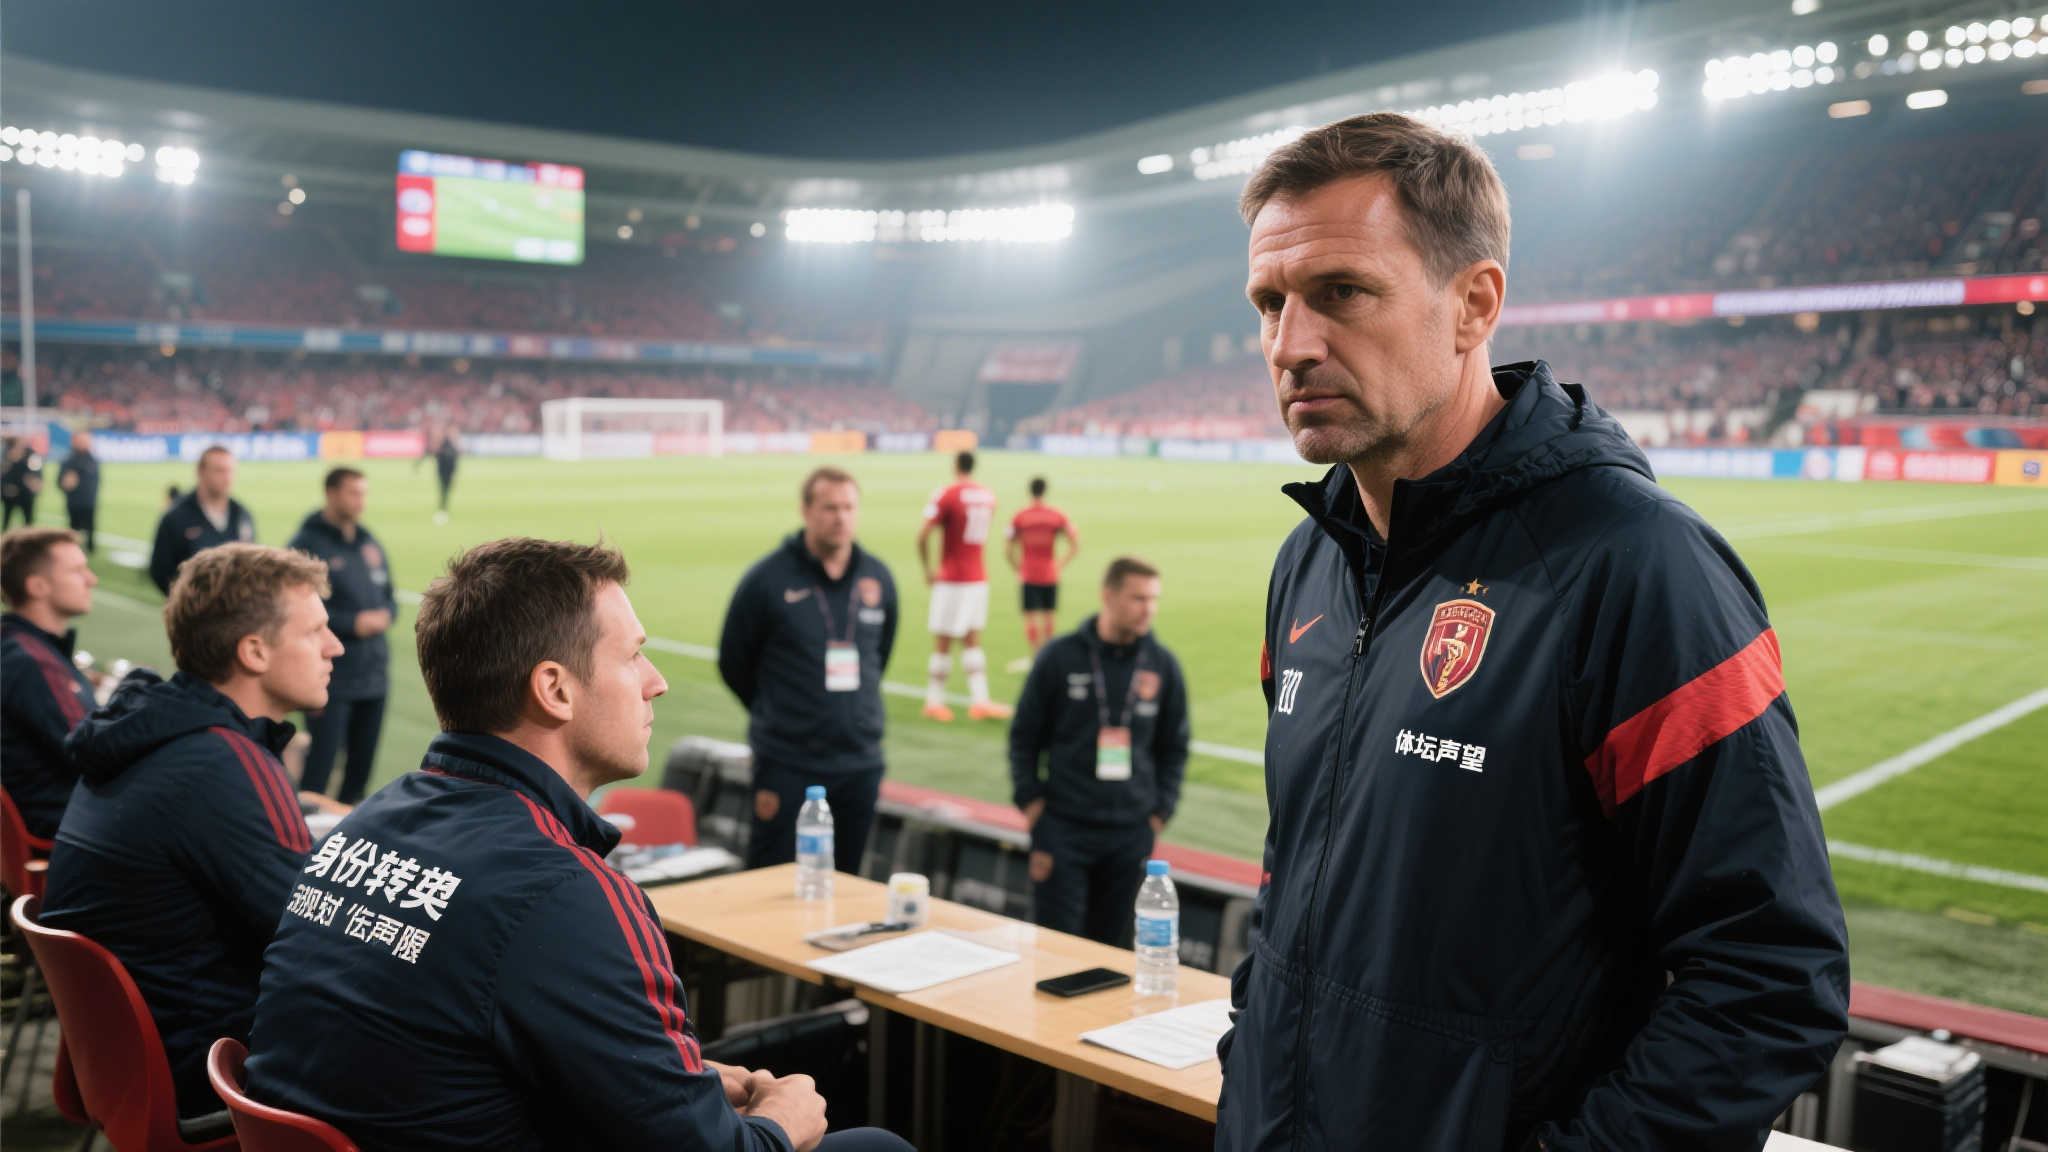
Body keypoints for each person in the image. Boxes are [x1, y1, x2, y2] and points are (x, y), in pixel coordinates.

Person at [1213, 113, 1849, 1151]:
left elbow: (1769, 976)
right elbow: (1297, 879)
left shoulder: (1636, 565)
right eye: (1269, 303)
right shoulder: (1310, 561)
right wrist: (1250, 1076)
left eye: (1342, 292)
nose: (1290, 345)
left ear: (1473, 304)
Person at [245, 538, 912, 1152]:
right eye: (632, 655)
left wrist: (668, 1074)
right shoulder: (562, 892)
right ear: (555, 690)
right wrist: (782, 1121)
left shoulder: (366, 824)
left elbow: (454, 1039)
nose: (656, 680)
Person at [42, 544, 342, 1119]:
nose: (335, 646)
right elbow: (318, 935)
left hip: (122, 1065)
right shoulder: (223, 759)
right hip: (204, 1070)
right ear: (254, 651)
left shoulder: (151, 735)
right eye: (315, 632)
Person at [719, 467, 899, 873]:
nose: (841, 517)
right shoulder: (767, 579)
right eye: (830, 508)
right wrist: (780, 713)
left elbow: (880, 655)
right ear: (806, 511)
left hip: (860, 762)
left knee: (849, 881)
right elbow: (733, 662)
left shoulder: (877, 577)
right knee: (772, 877)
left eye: (849, 507)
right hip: (787, 762)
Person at [1008, 557, 1186, 946]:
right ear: (1108, 595)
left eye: (1153, 599)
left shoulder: (1162, 666)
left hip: (1130, 834)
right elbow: (1024, 736)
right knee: (1056, 950)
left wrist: (1159, 813)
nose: (1149, 609)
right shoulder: (1060, 657)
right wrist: (1032, 804)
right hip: (1063, 829)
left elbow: (1174, 747)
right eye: (1138, 598)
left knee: (1114, 953)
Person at [289, 467, 397, 804]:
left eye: (363, 493)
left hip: (374, 676)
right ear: (331, 493)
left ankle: (350, 831)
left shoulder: (368, 542)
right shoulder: (306, 544)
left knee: (359, 776)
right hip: (331, 678)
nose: (360, 500)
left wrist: (386, 614)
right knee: (319, 770)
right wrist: (352, 623)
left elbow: (389, 596)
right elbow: (292, 608)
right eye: (353, 492)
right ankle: (299, 831)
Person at [1, 527, 98, 838]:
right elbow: (95, 753)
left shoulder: (16, 645)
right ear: (38, 586)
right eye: (77, 571)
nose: (91, 579)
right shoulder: (33, 661)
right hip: (60, 833)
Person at [914, 450, 1008, 722]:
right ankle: (980, 701)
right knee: (972, 641)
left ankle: (934, 701)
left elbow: (923, 535)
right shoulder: (988, 495)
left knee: (943, 643)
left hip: (952, 578)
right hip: (978, 577)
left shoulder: (947, 494)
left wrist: (928, 569)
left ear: (955, 466)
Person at [149, 445, 256, 595]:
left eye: (230, 471)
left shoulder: (242, 515)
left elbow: (251, 565)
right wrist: (187, 600)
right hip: (191, 607)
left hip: (235, 607)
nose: (227, 478)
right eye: (219, 470)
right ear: (201, 472)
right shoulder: (176, 517)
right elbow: (160, 570)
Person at [1003, 476, 1079, 672]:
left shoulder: (1020, 516)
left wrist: (1017, 567)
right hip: (1049, 572)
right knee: (1048, 616)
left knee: (1030, 616)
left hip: (1028, 572)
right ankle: (1048, 657)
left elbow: (1008, 548)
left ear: (1030, 491)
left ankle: (1035, 657)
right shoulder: (1056, 515)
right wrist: (1060, 564)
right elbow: (1074, 542)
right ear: (1045, 491)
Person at [57, 429, 100, 554]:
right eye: (83, 440)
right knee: (74, 527)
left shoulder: (92, 458)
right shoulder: (69, 460)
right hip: (75, 501)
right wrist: (66, 483)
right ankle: (73, 549)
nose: (87, 443)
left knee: (90, 526)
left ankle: (90, 548)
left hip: (90, 500)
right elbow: (61, 482)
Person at [1, 438, 42, 529]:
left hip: (26, 493)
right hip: (10, 492)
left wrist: (34, 482)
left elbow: (36, 472)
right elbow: (3, 473)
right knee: (6, 518)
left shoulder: (31, 454)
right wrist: (5, 487)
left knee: (28, 519)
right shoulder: (7, 452)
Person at [432, 428, 460, 523]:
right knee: (444, 489)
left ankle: (443, 506)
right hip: (444, 471)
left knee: (444, 489)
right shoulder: (445, 446)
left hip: (445, 471)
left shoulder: (448, 446)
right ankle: (443, 506)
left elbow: (453, 460)